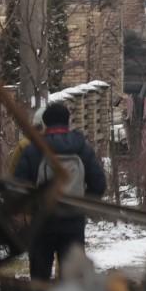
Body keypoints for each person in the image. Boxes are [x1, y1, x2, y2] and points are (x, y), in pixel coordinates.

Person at [13, 102, 108, 281]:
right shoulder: (81, 148)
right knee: (71, 281)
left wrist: (29, 211)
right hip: (73, 223)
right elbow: (99, 184)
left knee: (40, 279)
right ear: (68, 121)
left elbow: (18, 188)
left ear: (45, 123)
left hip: (42, 223)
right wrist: (82, 204)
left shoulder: (33, 149)